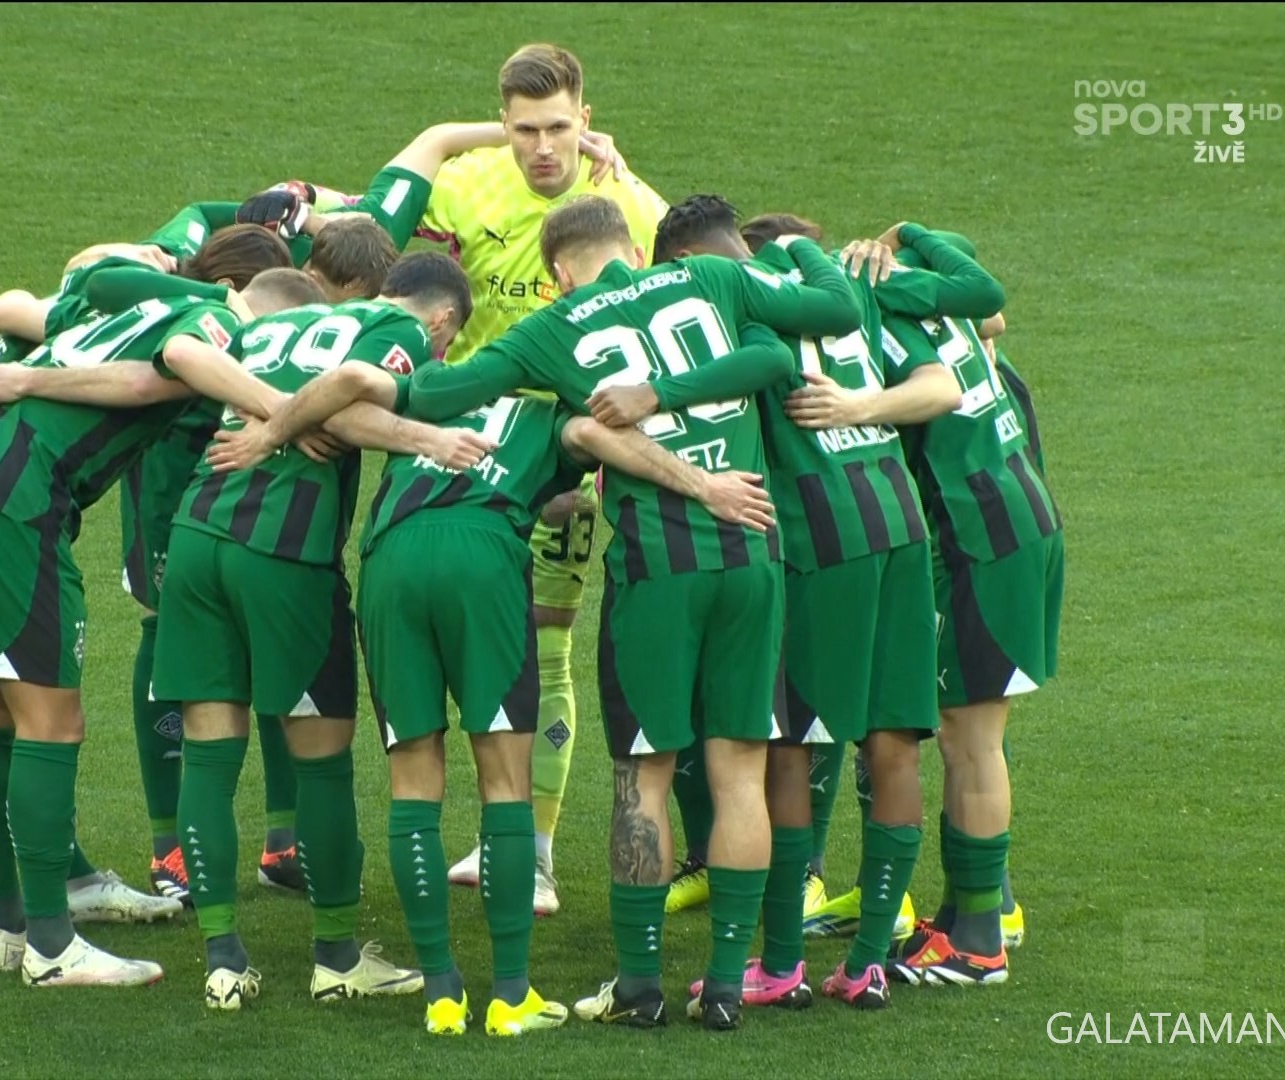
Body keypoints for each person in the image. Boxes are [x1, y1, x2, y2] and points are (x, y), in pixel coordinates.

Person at [203, 340, 776, 1036]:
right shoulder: (549, 411)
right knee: (505, 783)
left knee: (414, 784)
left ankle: (442, 994)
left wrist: (281, 428)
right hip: (483, 555)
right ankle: (510, 995)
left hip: (391, 561)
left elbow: (347, 395)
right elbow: (598, 438)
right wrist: (701, 484)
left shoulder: (433, 388)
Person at [405, 195, 861, 1031]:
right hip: (752, 553)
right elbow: (834, 313)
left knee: (642, 777)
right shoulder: (713, 277)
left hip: (657, 572)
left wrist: (385, 350)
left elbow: (439, 395)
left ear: (557, 273)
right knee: (740, 772)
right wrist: (800, 252)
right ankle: (726, 984)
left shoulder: (551, 328)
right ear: (637, 250)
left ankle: (641, 986)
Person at [646, 199, 1000, 1008]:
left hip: (819, 540)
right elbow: (957, 360)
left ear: (691, 262)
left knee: (787, 751)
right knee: (893, 741)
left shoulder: (732, 304)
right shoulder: (848, 284)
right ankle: (869, 962)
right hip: (899, 525)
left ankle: (779, 966)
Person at [0, 254, 318, 987]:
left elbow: (81, 319)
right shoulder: (219, 322)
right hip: (17, 502)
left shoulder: (140, 307)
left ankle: (8, 929)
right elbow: (171, 366)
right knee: (51, 724)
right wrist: (281, 408)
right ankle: (52, 948)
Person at [152, 252, 488, 1011]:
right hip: (285, 554)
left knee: (209, 752)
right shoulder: (400, 330)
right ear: (440, 320)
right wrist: (425, 438)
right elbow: (346, 403)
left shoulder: (286, 322)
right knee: (323, 759)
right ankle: (336, 956)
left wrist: (268, 416)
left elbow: (188, 355)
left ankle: (222, 957)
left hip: (197, 534)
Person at [0, 242, 202, 945]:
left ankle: (65, 878)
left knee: (9, 694)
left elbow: (22, 304)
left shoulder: (123, 299)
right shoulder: (151, 317)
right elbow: (23, 315)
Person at [418, 44, 671, 914]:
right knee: (472, 642)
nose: (542, 147)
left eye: (558, 127)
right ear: (503, 124)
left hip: (575, 459)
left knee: (547, 644)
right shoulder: (464, 187)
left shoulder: (632, 206)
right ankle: (500, 831)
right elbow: (393, 242)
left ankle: (532, 852)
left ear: (585, 121)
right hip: (476, 455)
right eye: (524, 130)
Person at [869, 226, 1058, 987]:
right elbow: (993, 313)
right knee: (964, 731)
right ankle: (966, 913)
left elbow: (937, 388)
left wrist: (856, 405)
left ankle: (981, 940)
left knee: (970, 739)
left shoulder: (876, 311)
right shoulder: (935, 299)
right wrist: (908, 237)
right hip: (1015, 513)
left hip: (981, 535)